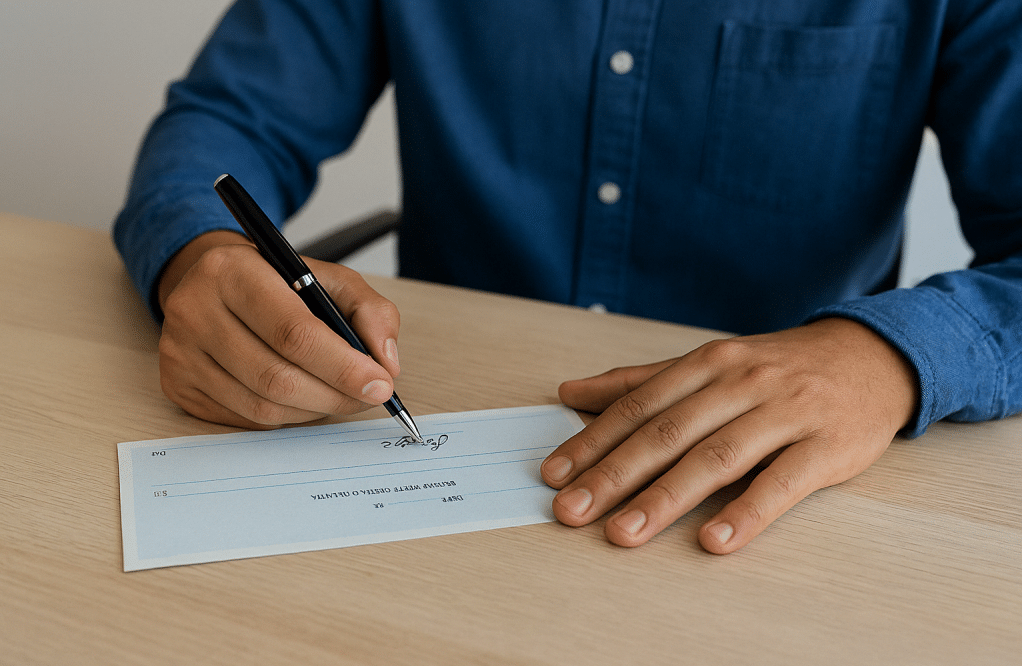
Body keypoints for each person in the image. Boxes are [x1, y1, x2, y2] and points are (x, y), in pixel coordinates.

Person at [114, 0, 1022, 555]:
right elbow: (228, 119)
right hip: (450, 431)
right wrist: (202, 253)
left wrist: (888, 359)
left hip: (782, 510)